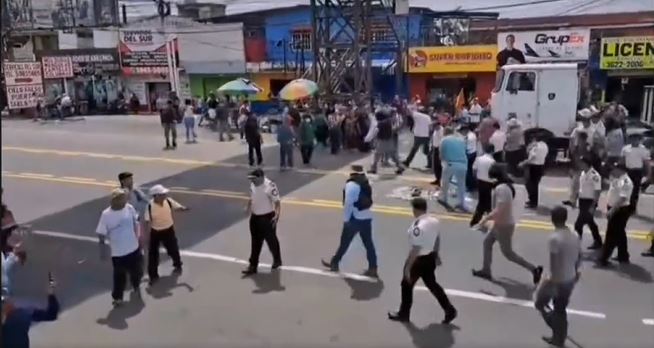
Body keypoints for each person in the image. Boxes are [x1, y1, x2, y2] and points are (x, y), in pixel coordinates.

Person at [387, 198, 457, 324]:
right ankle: (449, 309)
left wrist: (408, 267)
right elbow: (437, 238)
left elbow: (415, 249)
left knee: (406, 285)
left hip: (419, 260)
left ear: (416, 209)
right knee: (432, 284)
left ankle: (404, 313)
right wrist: (436, 254)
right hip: (430, 258)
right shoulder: (434, 221)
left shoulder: (418, 227)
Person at [472, 163, 543, 285]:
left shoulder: (502, 189)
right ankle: (486, 270)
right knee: (487, 243)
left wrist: (484, 220)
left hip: (503, 226)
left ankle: (533, 269)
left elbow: (500, 209)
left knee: (509, 254)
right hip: (499, 224)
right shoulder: (504, 187)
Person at [534, 206, 581, 348]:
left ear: (552, 219)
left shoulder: (554, 238)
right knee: (560, 307)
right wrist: (577, 271)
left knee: (540, 303)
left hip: (557, 279)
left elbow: (553, 264)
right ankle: (559, 335)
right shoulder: (574, 234)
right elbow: (579, 255)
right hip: (571, 276)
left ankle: (558, 333)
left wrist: (549, 281)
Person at [322, 165, 378, 278]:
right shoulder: (365, 182)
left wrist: (346, 220)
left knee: (345, 243)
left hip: (354, 218)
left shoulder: (351, 185)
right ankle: (373, 268)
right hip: (366, 217)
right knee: (368, 244)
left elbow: (348, 203)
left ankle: (335, 263)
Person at [96, 188, 143, 306]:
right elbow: (101, 232)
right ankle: (118, 298)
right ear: (114, 200)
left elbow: (135, 222)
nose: (125, 200)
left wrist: (139, 239)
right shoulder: (106, 214)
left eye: (125, 198)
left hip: (133, 248)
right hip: (118, 253)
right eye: (122, 198)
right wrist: (102, 248)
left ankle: (136, 285)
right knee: (119, 277)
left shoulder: (129, 208)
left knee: (137, 271)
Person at [144, 184, 189, 284]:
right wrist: (148, 235)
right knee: (153, 255)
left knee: (173, 248)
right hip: (155, 232)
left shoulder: (168, 201)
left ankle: (177, 264)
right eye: (162, 194)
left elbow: (177, 207)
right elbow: (147, 221)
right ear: (155, 196)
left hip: (168, 230)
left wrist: (184, 208)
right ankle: (153, 275)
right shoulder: (150, 206)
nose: (165, 195)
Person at [242, 169, 282, 275]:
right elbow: (251, 197)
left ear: (260, 177)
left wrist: (277, 215)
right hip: (255, 217)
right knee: (255, 242)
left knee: (271, 241)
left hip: (267, 217)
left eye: (254, 179)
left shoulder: (270, 186)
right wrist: (248, 208)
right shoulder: (253, 184)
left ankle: (277, 260)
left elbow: (277, 202)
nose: (252, 181)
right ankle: (253, 266)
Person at [1, 279, 59, 348]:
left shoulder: (22, 314)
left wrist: (51, 294)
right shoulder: (23, 314)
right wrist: (51, 293)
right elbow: (51, 315)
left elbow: (51, 315)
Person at [598, 163, 633, 266]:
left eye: (615, 169)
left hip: (620, 210)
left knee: (611, 235)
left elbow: (622, 199)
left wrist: (612, 210)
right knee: (620, 233)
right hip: (615, 208)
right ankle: (623, 256)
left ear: (621, 170)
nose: (613, 171)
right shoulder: (617, 178)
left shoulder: (625, 182)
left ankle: (603, 258)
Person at [574, 157, 603, 250]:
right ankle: (598, 241)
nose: (579, 165)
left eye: (581, 163)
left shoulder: (595, 175)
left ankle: (576, 243)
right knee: (590, 222)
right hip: (582, 201)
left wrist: (593, 205)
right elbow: (581, 188)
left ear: (586, 164)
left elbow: (597, 191)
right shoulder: (583, 173)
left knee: (578, 224)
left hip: (589, 201)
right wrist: (575, 198)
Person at [438, 127, 468, 211]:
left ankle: (444, 199)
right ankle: (461, 203)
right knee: (461, 185)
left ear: (445, 132)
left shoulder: (444, 140)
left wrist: (443, 161)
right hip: (462, 164)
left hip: (450, 163)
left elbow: (441, 154)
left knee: (445, 182)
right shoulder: (461, 140)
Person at [366, 110, 404, 175]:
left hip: (381, 141)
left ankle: (373, 169)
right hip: (389, 141)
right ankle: (400, 167)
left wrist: (370, 139)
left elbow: (375, 132)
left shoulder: (380, 124)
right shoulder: (389, 121)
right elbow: (393, 129)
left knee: (376, 155)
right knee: (393, 156)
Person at [621, 134, 650, 213]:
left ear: (639, 140)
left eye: (636, 139)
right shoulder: (626, 149)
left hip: (637, 171)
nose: (634, 141)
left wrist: (648, 173)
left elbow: (646, 162)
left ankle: (633, 207)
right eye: (633, 139)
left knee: (635, 189)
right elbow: (622, 161)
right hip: (628, 171)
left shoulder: (643, 149)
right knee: (626, 188)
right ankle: (625, 205)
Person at [563, 131, 592, 208]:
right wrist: (571, 168)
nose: (578, 140)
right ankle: (573, 201)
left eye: (579, 138)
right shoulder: (576, 148)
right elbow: (572, 159)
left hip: (584, 169)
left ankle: (581, 202)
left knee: (581, 186)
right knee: (574, 185)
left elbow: (590, 159)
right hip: (576, 168)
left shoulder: (588, 148)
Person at [469, 144, 496, 227]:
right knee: (486, 202)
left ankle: (477, 220)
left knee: (483, 201)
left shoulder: (479, 159)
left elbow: (474, 169)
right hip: (489, 183)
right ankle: (480, 221)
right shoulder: (492, 161)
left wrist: (476, 178)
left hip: (480, 181)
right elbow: (493, 174)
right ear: (492, 151)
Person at [521, 134, 549, 209]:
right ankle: (533, 201)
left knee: (531, 185)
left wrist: (524, 162)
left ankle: (532, 202)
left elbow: (532, 156)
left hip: (533, 166)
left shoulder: (536, 146)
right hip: (541, 166)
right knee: (535, 185)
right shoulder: (545, 146)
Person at [462, 125, 478, 191]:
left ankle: (470, 186)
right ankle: (471, 185)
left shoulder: (468, 137)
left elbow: (467, 147)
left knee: (468, 171)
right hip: (473, 153)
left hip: (469, 154)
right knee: (470, 171)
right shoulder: (473, 134)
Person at [430, 121, 444, 186]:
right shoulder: (436, 130)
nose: (433, 128)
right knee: (435, 165)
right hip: (435, 148)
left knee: (439, 165)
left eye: (434, 126)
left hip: (439, 149)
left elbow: (442, 142)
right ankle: (437, 179)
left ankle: (439, 180)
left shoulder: (441, 131)